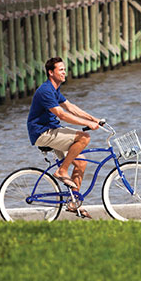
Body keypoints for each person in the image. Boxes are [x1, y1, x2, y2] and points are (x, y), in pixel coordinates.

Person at [27, 57, 104, 212]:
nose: (64, 72)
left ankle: (73, 204)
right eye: (60, 69)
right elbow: (62, 115)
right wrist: (86, 124)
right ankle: (62, 171)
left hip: (53, 130)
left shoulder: (55, 89)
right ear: (51, 72)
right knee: (84, 137)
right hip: (42, 132)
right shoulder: (46, 91)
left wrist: (93, 119)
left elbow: (71, 107)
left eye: (64, 69)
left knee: (82, 163)